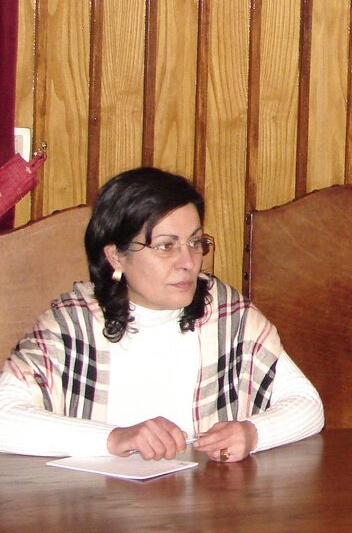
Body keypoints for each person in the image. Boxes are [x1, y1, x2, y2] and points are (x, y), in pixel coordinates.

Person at [0, 167, 324, 460]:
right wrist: (113, 439)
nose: (188, 262)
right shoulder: (74, 321)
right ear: (115, 256)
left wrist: (253, 433)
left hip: (207, 509)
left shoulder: (226, 313)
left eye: (195, 243)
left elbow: (307, 405)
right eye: (166, 246)